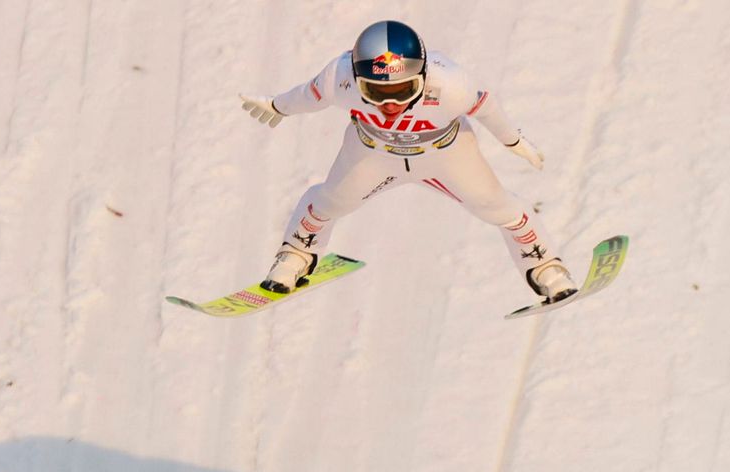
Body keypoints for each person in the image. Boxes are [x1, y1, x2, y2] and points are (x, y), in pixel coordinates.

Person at [239, 20, 577, 303]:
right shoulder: (338, 77)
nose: (389, 103)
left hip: (446, 155)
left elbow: (486, 108)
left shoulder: (450, 84)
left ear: (424, 75)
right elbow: (309, 96)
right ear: (357, 80)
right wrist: (278, 105)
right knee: (331, 200)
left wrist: (514, 140)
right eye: (375, 92)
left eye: (403, 91)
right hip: (374, 154)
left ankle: (546, 265)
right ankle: (295, 256)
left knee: (495, 205)